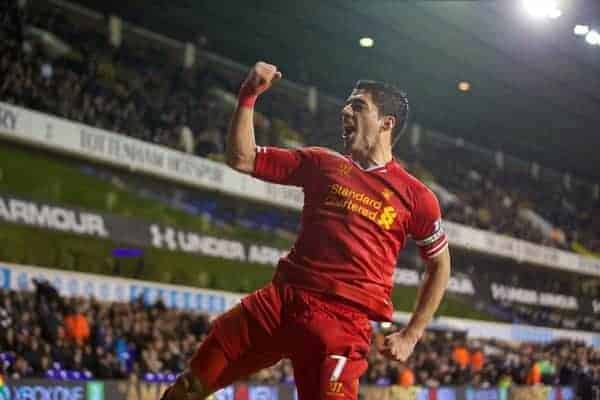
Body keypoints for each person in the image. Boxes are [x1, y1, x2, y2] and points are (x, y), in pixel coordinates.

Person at [161, 62, 451, 399]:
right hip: (279, 301)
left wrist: (412, 334)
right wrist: (248, 95)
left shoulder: (417, 197)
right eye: (347, 103)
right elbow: (243, 158)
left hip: (342, 324)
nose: (345, 110)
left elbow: (440, 264)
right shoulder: (323, 164)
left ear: (387, 123)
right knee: (188, 388)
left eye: (358, 106)